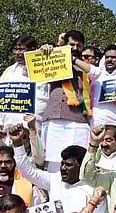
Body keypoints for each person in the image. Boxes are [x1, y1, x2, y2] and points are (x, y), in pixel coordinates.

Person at [37, 31, 96, 173]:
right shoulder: (53, 59)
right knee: (54, 164)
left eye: (78, 45)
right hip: (56, 117)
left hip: (79, 121)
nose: (75, 48)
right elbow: (33, 67)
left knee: (78, 163)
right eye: (72, 44)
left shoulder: (85, 67)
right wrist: (45, 50)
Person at [0, 35, 48, 130]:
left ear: (32, 50)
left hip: (36, 130)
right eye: (16, 49)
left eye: (21, 49)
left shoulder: (45, 70)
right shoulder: (9, 71)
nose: (17, 53)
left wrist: (46, 51)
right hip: (10, 130)